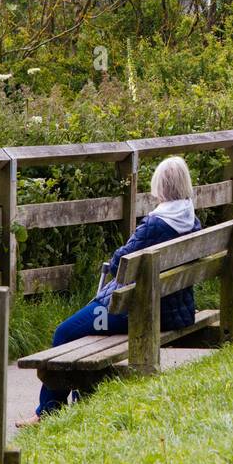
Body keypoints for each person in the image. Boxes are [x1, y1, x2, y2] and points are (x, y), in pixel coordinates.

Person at [32, 156, 200, 418]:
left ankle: (48, 411)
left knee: (64, 333)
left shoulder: (156, 224)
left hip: (141, 313)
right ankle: (82, 399)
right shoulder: (190, 219)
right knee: (85, 333)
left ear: (161, 187)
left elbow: (118, 263)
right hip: (176, 311)